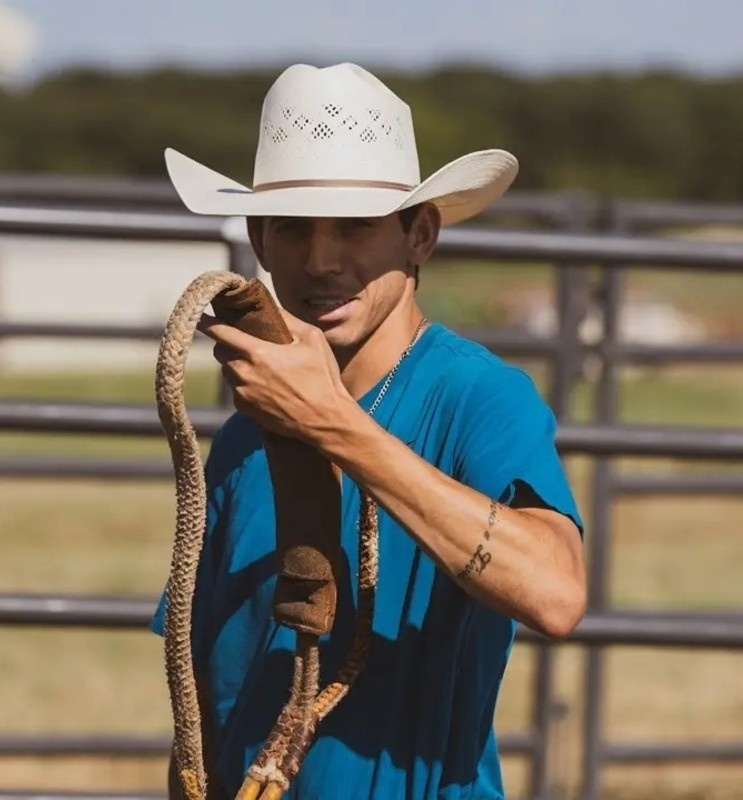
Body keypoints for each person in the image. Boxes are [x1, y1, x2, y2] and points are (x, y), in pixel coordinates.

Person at [151, 62, 586, 800]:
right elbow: (203, 695)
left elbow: (554, 593)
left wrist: (333, 426)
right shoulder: (245, 429)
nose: (321, 262)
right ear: (259, 235)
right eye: (291, 229)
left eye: (354, 226)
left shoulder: (479, 397)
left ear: (419, 234)